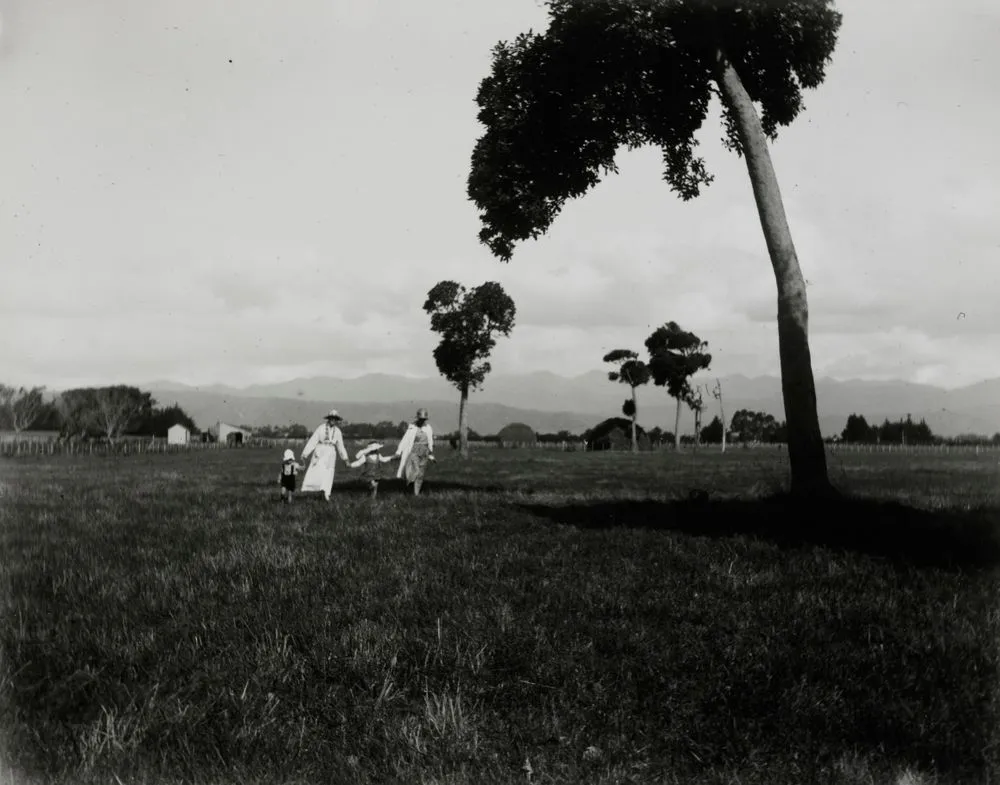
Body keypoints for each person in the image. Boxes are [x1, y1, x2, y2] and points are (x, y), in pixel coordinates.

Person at [300, 409, 350, 502]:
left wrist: (345, 459)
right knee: (318, 471)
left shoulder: (338, 431)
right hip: (321, 451)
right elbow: (313, 440)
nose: (333, 420)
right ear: (328, 419)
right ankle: (314, 490)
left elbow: (340, 446)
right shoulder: (321, 428)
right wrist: (305, 454)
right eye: (331, 418)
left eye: (335, 419)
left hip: (331, 453)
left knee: (329, 473)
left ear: (337, 420)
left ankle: (326, 494)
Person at [395, 408, 435, 496]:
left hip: (424, 452)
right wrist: (399, 451)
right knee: (415, 471)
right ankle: (409, 485)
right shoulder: (412, 428)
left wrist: (431, 453)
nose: (422, 421)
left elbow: (430, 441)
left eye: (424, 419)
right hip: (414, 451)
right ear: (417, 418)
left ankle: (416, 493)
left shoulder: (428, 428)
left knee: (421, 474)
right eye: (420, 419)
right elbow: (405, 440)